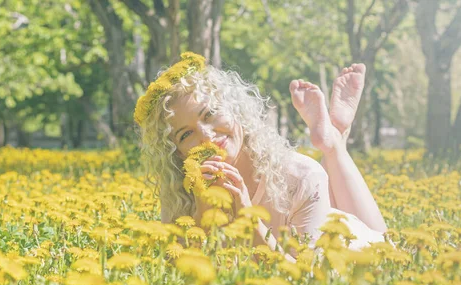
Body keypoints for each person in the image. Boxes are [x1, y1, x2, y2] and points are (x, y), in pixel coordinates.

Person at [136, 52, 387, 259]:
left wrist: (250, 219)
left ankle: (333, 144)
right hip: (305, 228)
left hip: (344, 252)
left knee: (382, 242)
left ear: (233, 108)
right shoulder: (180, 196)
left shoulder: (300, 176)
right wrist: (203, 219)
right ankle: (333, 139)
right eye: (184, 134)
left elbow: (309, 284)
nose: (206, 136)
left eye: (210, 114)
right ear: (177, 154)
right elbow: (179, 279)